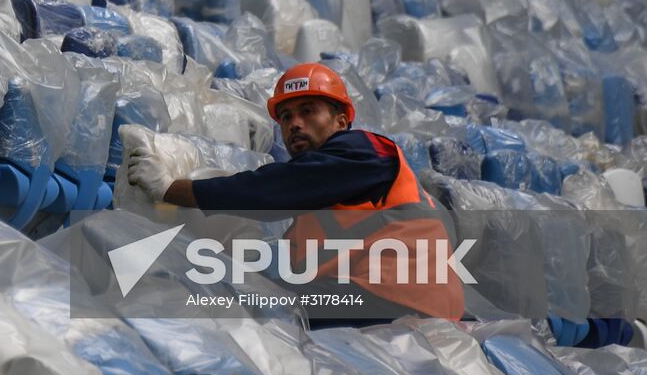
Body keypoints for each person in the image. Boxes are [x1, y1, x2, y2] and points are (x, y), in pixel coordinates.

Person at [127, 62, 464, 321]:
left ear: (341, 121)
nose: (294, 124)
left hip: (396, 297)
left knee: (228, 302)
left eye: (308, 111)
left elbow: (270, 190)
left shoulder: (366, 150)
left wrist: (171, 189)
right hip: (386, 297)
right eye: (286, 117)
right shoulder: (317, 201)